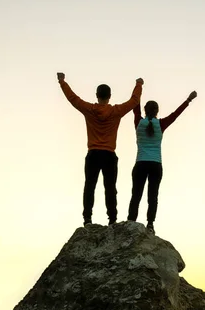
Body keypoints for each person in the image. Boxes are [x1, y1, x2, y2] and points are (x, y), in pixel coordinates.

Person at [57, 72, 144, 226]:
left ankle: (87, 219)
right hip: (109, 155)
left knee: (89, 185)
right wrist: (139, 84)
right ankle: (112, 219)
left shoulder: (89, 109)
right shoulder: (116, 111)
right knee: (110, 187)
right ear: (110, 96)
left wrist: (62, 81)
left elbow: (73, 98)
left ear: (97, 95)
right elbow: (134, 101)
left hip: (93, 154)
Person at [127, 90, 197, 234]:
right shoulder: (161, 124)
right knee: (153, 196)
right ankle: (150, 224)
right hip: (156, 165)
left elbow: (135, 107)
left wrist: (138, 88)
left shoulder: (139, 122)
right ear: (157, 111)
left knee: (136, 194)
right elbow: (175, 114)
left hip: (140, 163)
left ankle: (131, 221)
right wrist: (188, 100)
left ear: (145, 111)